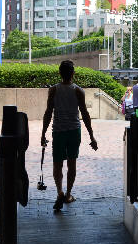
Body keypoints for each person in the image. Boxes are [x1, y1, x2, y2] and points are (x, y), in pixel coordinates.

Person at [41, 60, 98, 211]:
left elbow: (48, 112)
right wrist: (92, 136)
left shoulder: (53, 90)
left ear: (60, 73)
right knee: (71, 164)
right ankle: (68, 194)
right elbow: (85, 114)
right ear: (73, 73)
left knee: (57, 163)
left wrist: (43, 133)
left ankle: (59, 191)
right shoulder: (78, 91)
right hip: (74, 131)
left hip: (58, 131)